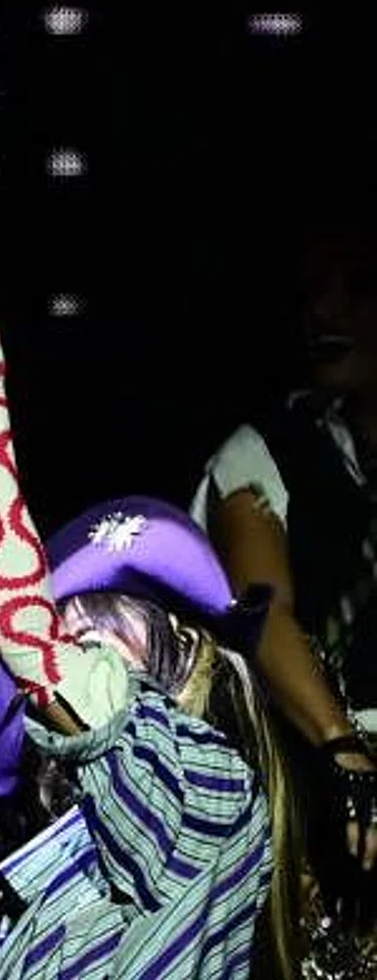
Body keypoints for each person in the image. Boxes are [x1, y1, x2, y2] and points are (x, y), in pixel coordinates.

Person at [0, 259, 299, 978]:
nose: (94, 654)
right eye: (82, 630)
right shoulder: (77, 861)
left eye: (123, 629)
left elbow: (28, 637)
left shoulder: (211, 788)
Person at [188, 214, 377, 974]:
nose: (323, 313)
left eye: (357, 289)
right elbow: (261, 614)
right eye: (312, 293)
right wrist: (346, 753)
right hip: (320, 813)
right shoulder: (264, 451)